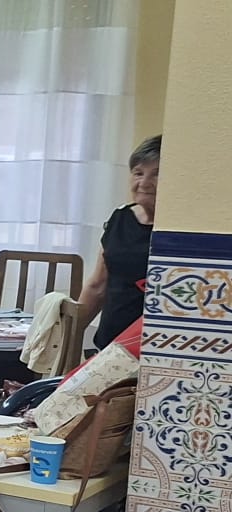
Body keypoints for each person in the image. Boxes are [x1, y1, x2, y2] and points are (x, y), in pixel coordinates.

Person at [74, 135, 160, 351]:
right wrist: (71, 335)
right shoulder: (120, 218)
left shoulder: (179, 227)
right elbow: (97, 285)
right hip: (109, 345)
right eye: (138, 173)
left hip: (153, 348)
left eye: (157, 174)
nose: (144, 183)